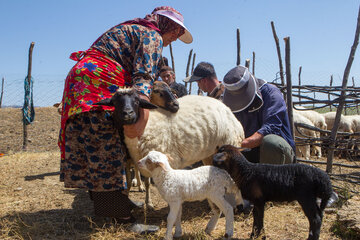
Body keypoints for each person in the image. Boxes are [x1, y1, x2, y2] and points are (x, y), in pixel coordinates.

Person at [58, 6, 192, 232]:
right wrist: (138, 116)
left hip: (82, 84)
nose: (173, 40)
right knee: (107, 149)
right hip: (99, 87)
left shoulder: (131, 28)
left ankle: (114, 204)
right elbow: (144, 77)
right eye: (175, 33)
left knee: (95, 145)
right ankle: (122, 220)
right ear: (167, 26)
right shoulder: (152, 36)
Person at [222, 65, 295, 165]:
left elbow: (271, 128)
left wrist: (238, 145)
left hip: (277, 155)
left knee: (270, 142)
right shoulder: (233, 102)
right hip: (250, 152)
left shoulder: (271, 94)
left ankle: (271, 180)